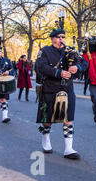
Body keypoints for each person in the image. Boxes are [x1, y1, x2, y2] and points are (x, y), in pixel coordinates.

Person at [35, 27, 88, 159]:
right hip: (50, 89)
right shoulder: (45, 51)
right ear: (52, 38)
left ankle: (68, 149)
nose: (61, 40)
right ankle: (45, 139)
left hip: (67, 88)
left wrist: (77, 67)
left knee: (68, 119)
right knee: (47, 120)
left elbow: (85, 63)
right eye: (58, 37)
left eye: (63, 37)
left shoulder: (70, 50)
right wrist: (58, 73)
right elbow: (40, 67)